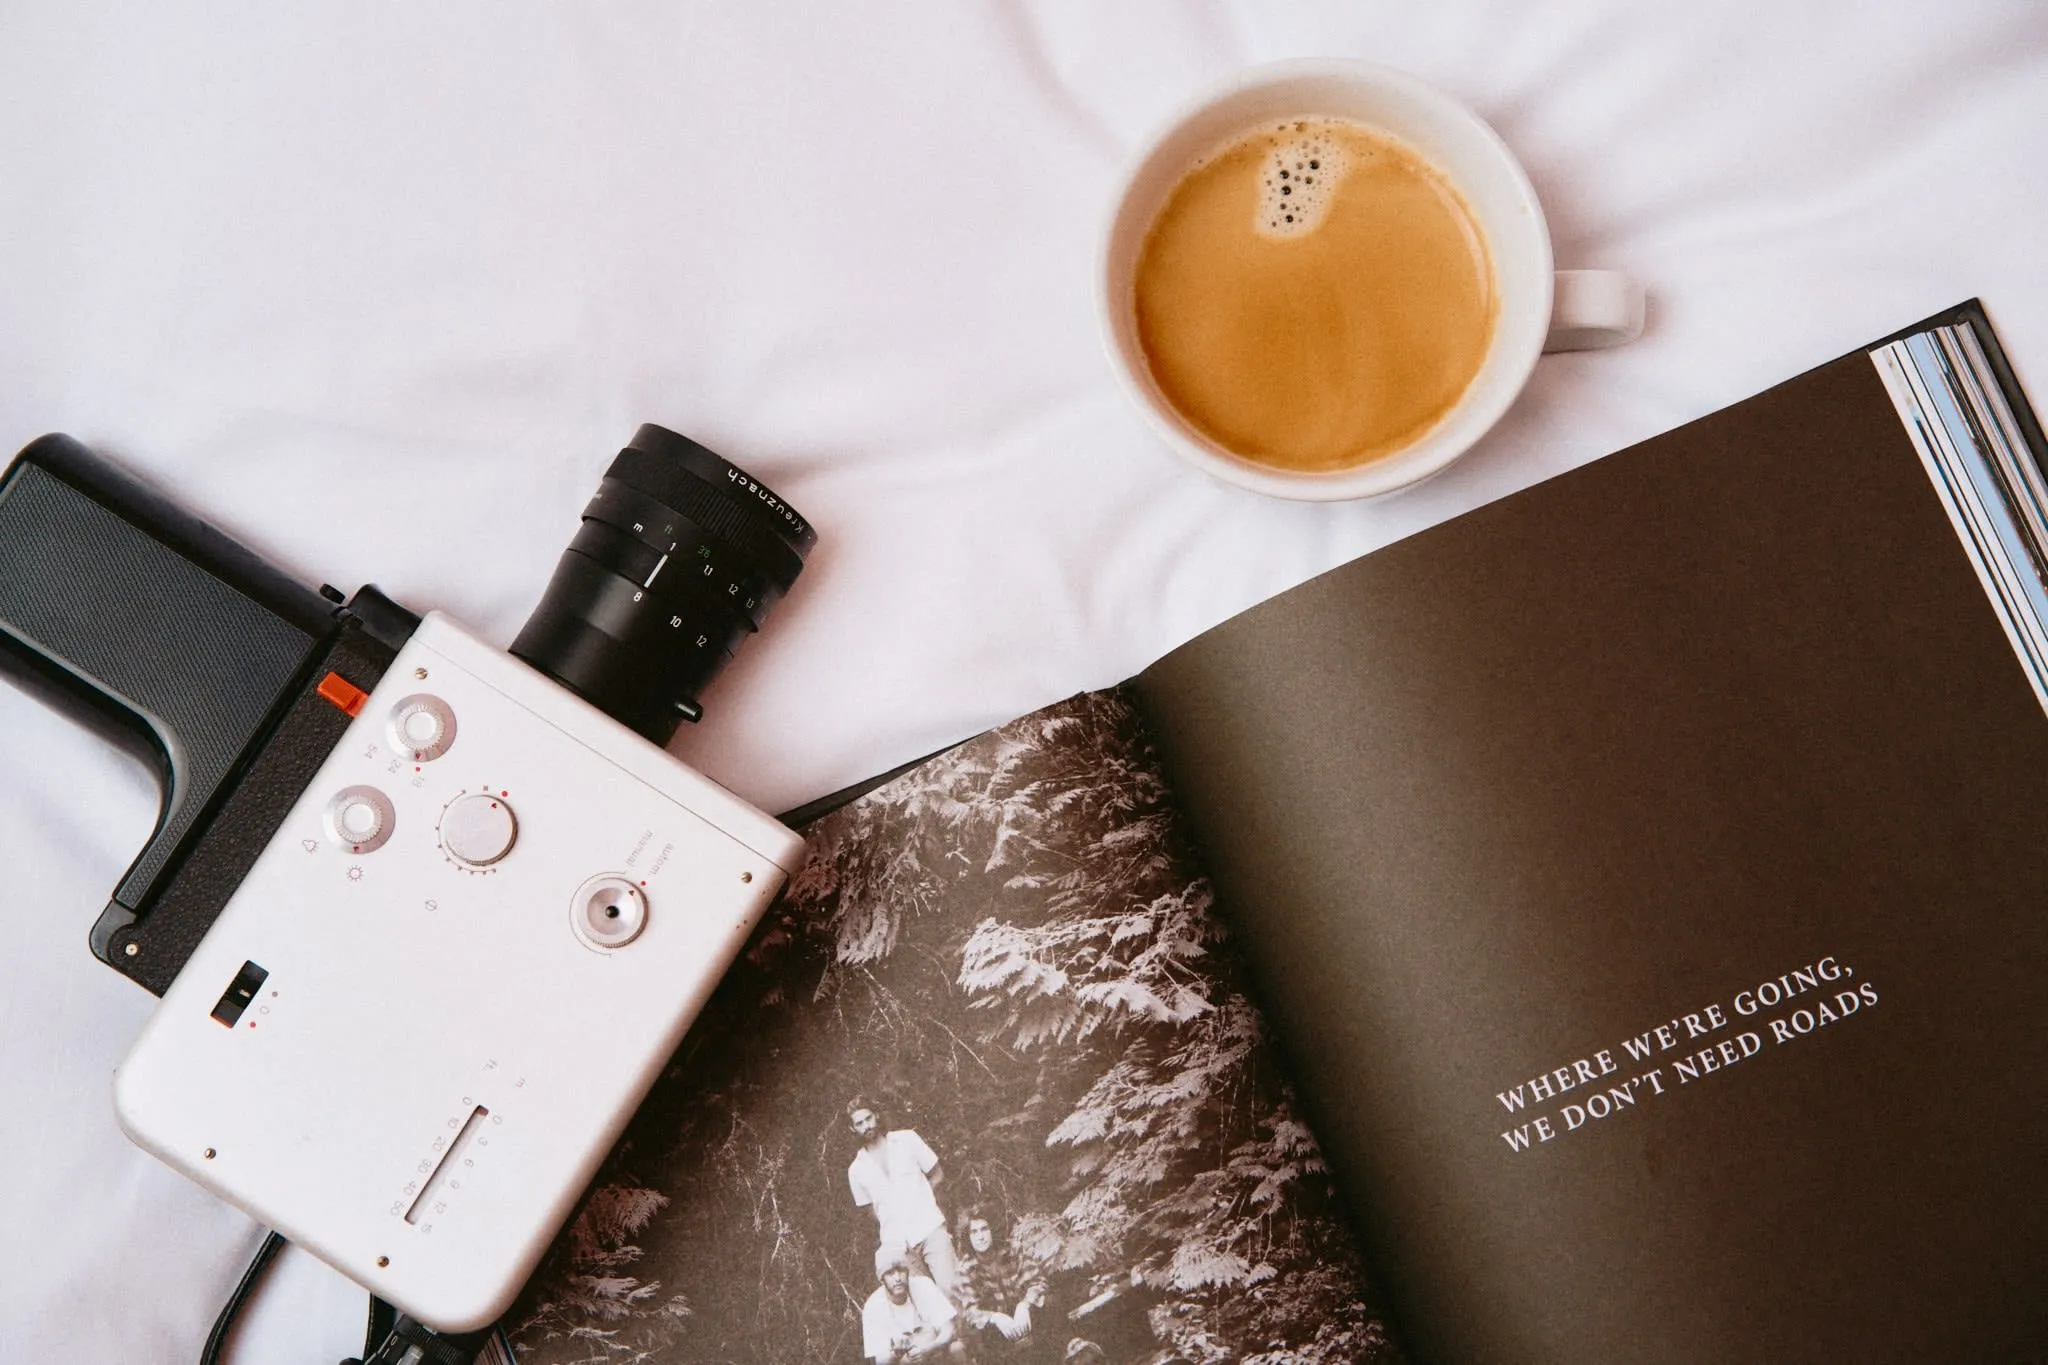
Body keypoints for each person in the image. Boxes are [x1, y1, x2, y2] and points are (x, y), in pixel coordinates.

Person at [846, 1096, 959, 1293]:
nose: (866, 1126)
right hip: (898, 1245)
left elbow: (937, 1174)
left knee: (954, 1291)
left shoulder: (907, 1139)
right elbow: (870, 1211)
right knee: (924, 1305)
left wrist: (920, 1201)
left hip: (930, 1228)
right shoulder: (856, 1170)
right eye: (859, 1123)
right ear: (853, 1129)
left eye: (868, 1118)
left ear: (877, 1115)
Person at [956, 1209, 1046, 1349]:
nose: (980, 1237)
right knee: (983, 1336)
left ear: (993, 1229)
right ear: (968, 1237)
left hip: (1026, 1315)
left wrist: (1025, 1305)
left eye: (984, 1229)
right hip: (999, 1328)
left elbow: (1038, 1281)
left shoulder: (1012, 1249)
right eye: (974, 1232)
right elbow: (971, 1311)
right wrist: (995, 1317)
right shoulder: (966, 1268)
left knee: (1050, 1302)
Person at [861, 1250, 965, 1364]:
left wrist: (928, 1349)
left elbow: (948, 1329)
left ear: (907, 1271)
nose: (898, 1278)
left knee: (957, 1348)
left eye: (901, 1271)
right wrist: (895, 1353)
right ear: (882, 1279)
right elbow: (880, 1361)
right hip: (905, 1360)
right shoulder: (873, 1306)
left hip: (933, 1349)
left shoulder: (924, 1285)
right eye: (890, 1273)